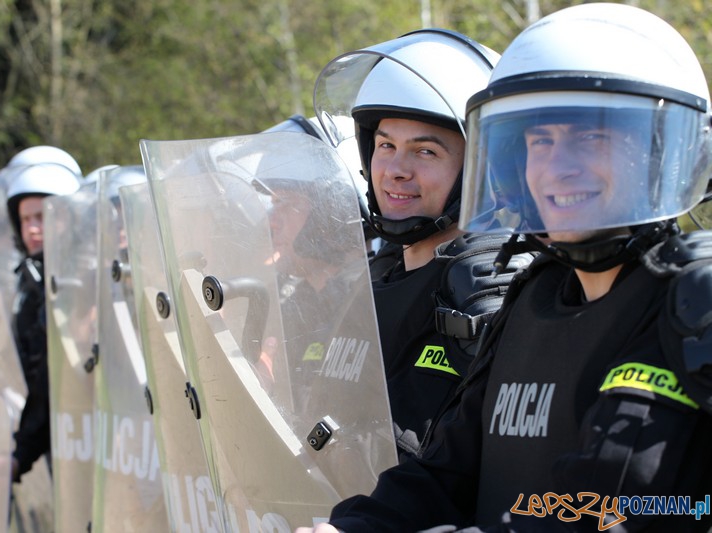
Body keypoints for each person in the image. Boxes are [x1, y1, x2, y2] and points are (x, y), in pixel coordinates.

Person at [299, 3, 712, 532]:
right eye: (539, 141)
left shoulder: (687, 305)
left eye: (590, 137)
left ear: (659, 154)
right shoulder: (532, 299)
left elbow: (619, 506)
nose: (556, 167)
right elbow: (444, 474)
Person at [312, 29, 530, 460]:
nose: (395, 169)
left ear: (480, 167)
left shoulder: (490, 294)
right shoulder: (375, 277)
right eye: (385, 145)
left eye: (425, 152)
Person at [5, 159, 82, 481]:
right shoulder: (29, 283)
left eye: (42, 216)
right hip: (60, 442)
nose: (33, 228)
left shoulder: (86, 280)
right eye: (25, 219)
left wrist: (21, 454)